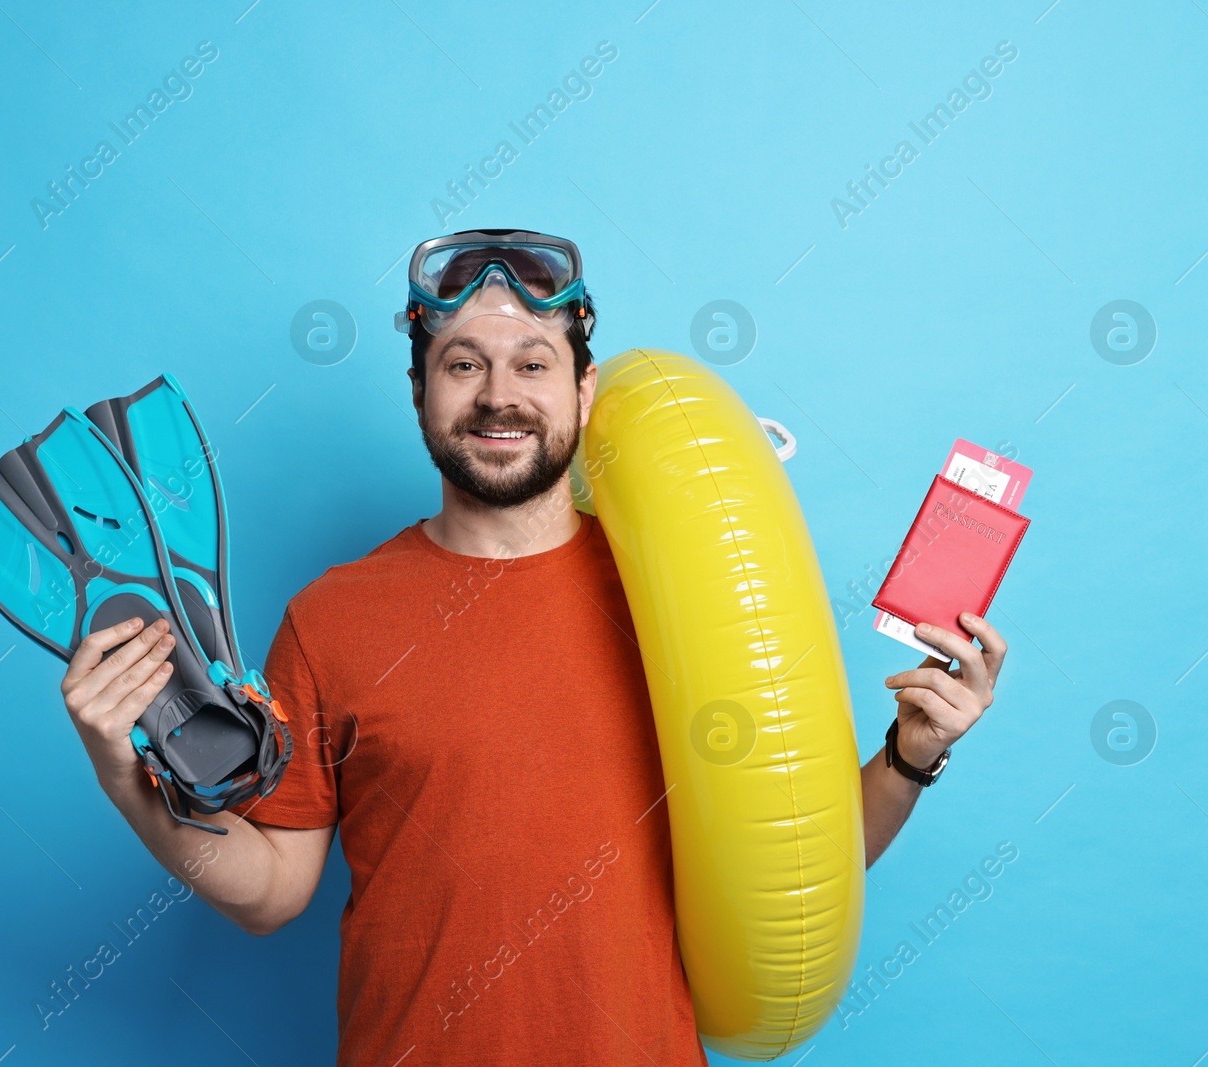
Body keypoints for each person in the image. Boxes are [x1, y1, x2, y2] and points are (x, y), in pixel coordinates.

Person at [57, 229, 1008, 1065]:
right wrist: (126, 783)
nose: (499, 395)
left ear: (586, 389)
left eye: (534, 362)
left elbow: (788, 863)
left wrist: (911, 756)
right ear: (420, 391)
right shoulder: (331, 619)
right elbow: (271, 891)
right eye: (463, 364)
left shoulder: (681, 597)